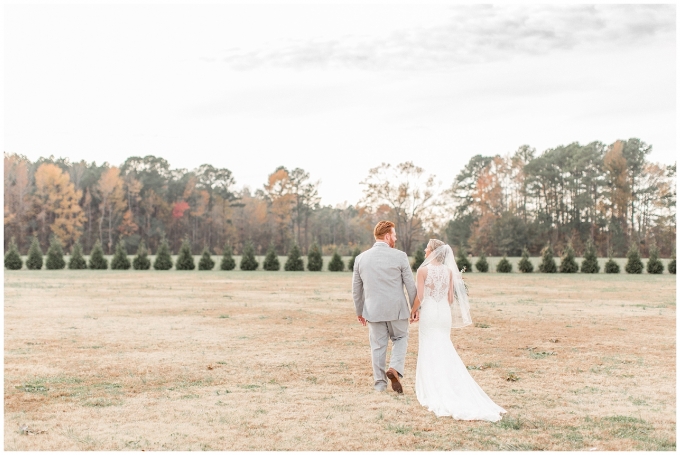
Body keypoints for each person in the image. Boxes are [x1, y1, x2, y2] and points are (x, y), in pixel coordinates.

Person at [410, 239, 506, 421]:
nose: (424, 249)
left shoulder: (422, 271)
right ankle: (450, 383)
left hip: (430, 313)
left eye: (427, 247)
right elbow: (450, 299)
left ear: (433, 252)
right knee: (443, 346)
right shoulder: (448, 272)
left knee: (430, 348)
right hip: (443, 314)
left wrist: (413, 311)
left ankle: (434, 387)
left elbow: (420, 296)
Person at [352, 220, 417, 393]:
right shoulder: (400, 256)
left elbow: (356, 290)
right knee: (401, 338)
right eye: (394, 235)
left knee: (378, 347)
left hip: (373, 311)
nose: (395, 238)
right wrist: (415, 308)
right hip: (397, 310)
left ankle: (380, 385)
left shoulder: (360, 259)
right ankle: (394, 368)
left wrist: (359, 311)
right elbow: (410, 285)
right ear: (387, 236)